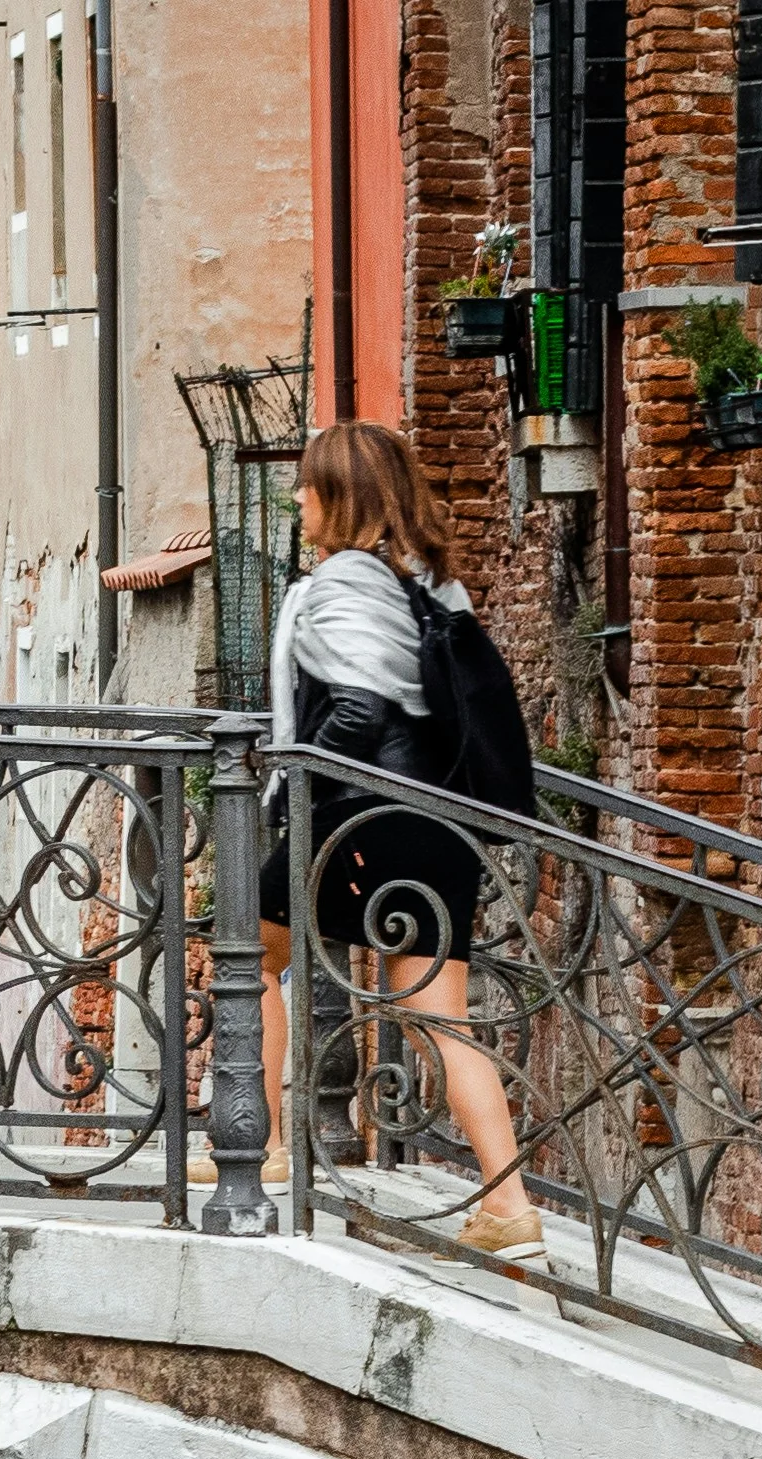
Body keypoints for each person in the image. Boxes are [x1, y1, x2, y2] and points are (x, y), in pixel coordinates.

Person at [268, 422, 536, 1258]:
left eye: (308, 487)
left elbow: (360, 711)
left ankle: (260, 1145)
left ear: (338, 496)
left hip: (360, 822)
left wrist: (291, 787)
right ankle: (509, 1207)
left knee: (243, 951)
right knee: (443, 1022)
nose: (297, 500)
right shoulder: (432, 584)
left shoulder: (344, 582)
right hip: (438, 826)